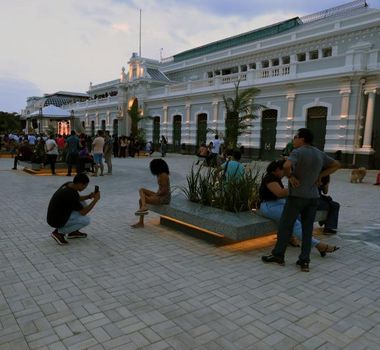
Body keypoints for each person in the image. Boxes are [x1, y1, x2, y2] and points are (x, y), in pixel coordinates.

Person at [262, 128, 341, 272]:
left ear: (302, 139)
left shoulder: (297, 151)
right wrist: (320, 175)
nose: (294, 139)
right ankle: (304, 261)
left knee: (286, 226)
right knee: (307, 229)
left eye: (295, 137)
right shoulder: (319, 153)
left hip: (297, 197)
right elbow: (336, 165)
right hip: (313, 198)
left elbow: (286, 166)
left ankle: (278, 255)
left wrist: (290, 176)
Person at [259, 160, 339, 256]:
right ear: (277, 169)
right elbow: (279, 193)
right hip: (268, 206)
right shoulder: (270, 178)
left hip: (277, 203)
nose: (285, 175)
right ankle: (319, 246)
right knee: (294, 222)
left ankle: (293, 238)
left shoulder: (275, 177)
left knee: (300, 215)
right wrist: (298, 189)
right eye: (284, 172)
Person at [47, 173, 100, 245]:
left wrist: (89, 196)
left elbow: (77, 198)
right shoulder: (69, 194)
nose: (85, 188)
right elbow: (83, 212)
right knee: (86, 220)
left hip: (56, 214)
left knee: (83, 203)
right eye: (85, 186)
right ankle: (58, 233)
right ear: (80, 184)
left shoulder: (69, 185)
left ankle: (72, 232)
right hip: (56, 220)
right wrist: (95, 200)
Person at [132, 159, 171, 228]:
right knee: (142, 190)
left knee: (141, 200)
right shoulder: (159, 174)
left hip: (163, 198)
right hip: (159, 195)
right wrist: (155, 194)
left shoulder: (163, 175)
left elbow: (164, 191)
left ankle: (141, 221)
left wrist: (155, 195)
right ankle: (144, 207)